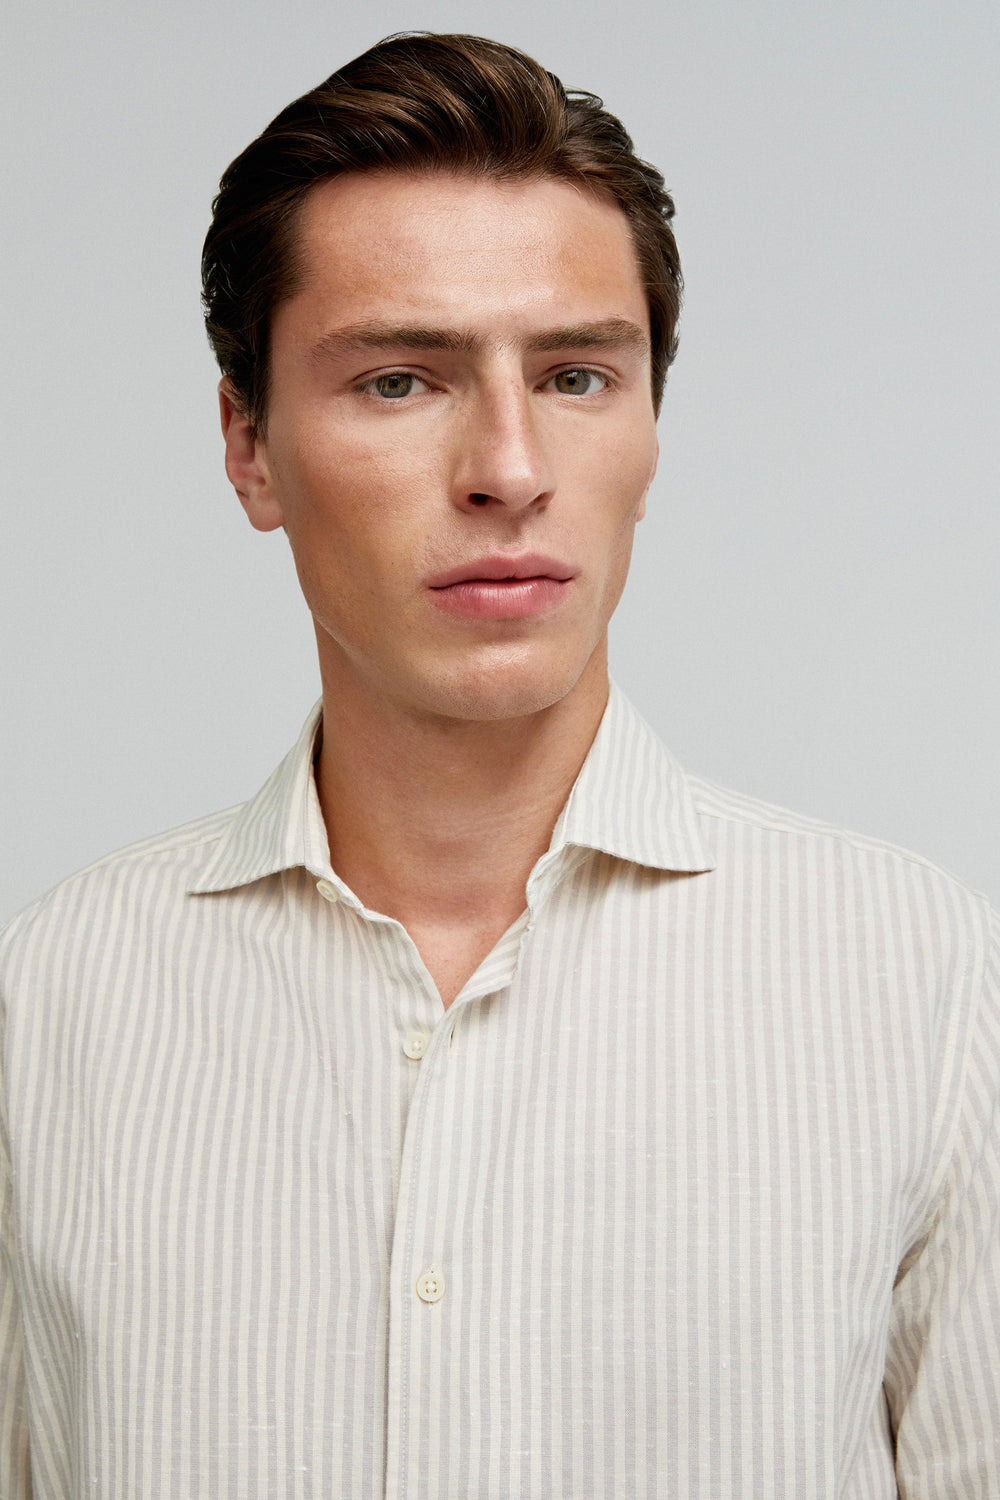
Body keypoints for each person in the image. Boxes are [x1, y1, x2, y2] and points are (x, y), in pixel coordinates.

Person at [1, 30, 997, 1499]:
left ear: (651, 429)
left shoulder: (918, 980)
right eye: (401, 381)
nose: (511, 469)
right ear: (250, 445)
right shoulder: (51, 1007)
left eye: (579, 375)